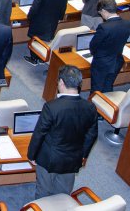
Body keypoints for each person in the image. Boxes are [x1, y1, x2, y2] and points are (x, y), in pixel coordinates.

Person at [27, 65, 98, 199]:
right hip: (72, 159)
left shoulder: (51, 107)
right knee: (63, 193)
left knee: (43, 190)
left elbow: (40, 133)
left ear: (61, 82)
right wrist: (83, 155)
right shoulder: (90, 107)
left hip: (49, 158)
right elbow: (92, 135)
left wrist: (32, 155)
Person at [24, 0, 69, 65]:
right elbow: (63, 7)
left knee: (35, 38)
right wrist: (60, 18)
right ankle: (41, 58)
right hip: (53, 20)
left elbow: (35, 8)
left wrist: (29, 17)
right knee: (47, 36)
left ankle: (34, 59)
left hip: (39, 20)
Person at [88, 0, 130, 93]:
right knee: (108, 85)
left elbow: (93, 45)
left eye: (100, 13)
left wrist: (95, 54)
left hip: (102, 63)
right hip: (117, 61)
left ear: (103, 11)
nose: (101, 15)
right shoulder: (127, 24)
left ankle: (95, 106)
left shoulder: (104, 27)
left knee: (96, 89)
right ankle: (106, 105)